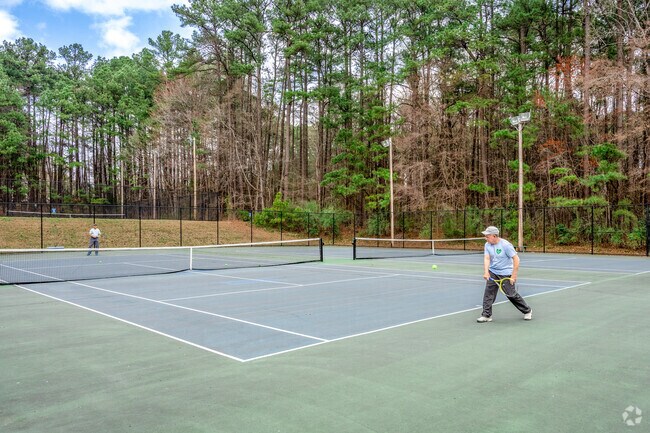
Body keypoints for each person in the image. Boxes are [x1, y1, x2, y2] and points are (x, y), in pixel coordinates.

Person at [477, 226, 532, 323]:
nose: (486, 238)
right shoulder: (487, 245)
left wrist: (513, 276)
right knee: (488, 294)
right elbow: (487, 258)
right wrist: (486, 271)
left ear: (494, 236)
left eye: (487, 236)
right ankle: (486, 315)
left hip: (506, 273)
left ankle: (527, 310)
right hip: (493, 272)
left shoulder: (506, 245)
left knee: (511, 295)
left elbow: (516, 259)